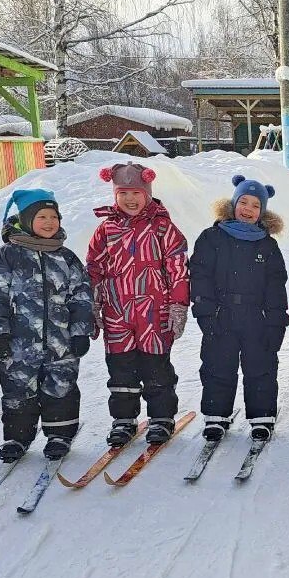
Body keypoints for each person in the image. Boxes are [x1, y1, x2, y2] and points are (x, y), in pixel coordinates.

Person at [0, 189, 93, 463]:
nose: (49, 222)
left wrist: (79, 332)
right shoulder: (4, 257)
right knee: (18, 391)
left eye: (53, 217)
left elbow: (81, 296)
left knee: (61, 387)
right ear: (26, 219)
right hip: (19, 344)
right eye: (41, 216)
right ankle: (17, 438)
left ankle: (59, 435)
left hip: (61, 341)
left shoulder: (66, 258)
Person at [86, 162, 190, 446]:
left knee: (156, 368)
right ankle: (123, 419)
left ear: (147, 193)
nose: (130, 199)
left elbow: (178, 268)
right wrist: (93, 303)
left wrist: (179, 305)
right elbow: (94, 268)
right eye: (124, 194)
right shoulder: (106, 229)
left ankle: (161, 418)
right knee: (120, 370)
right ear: (115, 195)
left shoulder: (162, 228)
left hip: (154, 313)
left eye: (136, 193)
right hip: (116, 313)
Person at [190, 174, 288, 442]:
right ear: (233, 204)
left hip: (256, 316)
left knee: (261, 365)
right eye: (243, 202)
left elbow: (276, 286)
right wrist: (205, 313)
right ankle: (216, 415)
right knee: (217, 364)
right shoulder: (212, 238)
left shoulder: (267, 245)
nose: (248, 209)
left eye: (256, 205)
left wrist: (277, 322)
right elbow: (200, 277)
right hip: (221, 314)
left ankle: (261, 416)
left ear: (263, 212)